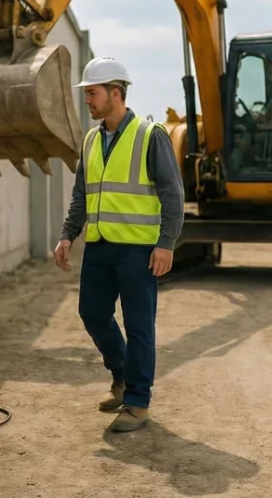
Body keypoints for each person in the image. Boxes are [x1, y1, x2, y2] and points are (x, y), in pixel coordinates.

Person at [53, 57, 185, 433]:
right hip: (99, 246)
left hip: (139, 250)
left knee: (139, 326)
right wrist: (67, 234)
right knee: (92, 313)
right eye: (87, 94)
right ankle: (122, 376)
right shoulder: (91, 139)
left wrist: (166, 243)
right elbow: (82, 194)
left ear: (116, 93)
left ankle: (138, 402)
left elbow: (172, 194)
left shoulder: (150, 135)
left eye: (92, 93)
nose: (88, 101)